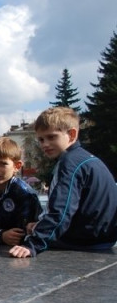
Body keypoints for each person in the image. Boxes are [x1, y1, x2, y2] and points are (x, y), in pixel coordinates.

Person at [10, 107, 117, 258]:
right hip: (103, 239)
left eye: (52, 137)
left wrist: (34, 243)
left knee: (16, 239)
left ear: (72, 134)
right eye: (41, 139)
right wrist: (41, 226)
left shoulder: (70, 164)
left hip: (83, 242)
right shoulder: (86, 159)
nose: (45, 144)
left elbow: (61, 210)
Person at [0, 137, 42, 246]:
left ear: (17, 166)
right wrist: (1, 235)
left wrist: (7, 236)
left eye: (3, 164)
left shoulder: (24, 193)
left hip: (18, 250)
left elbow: (24, 232)